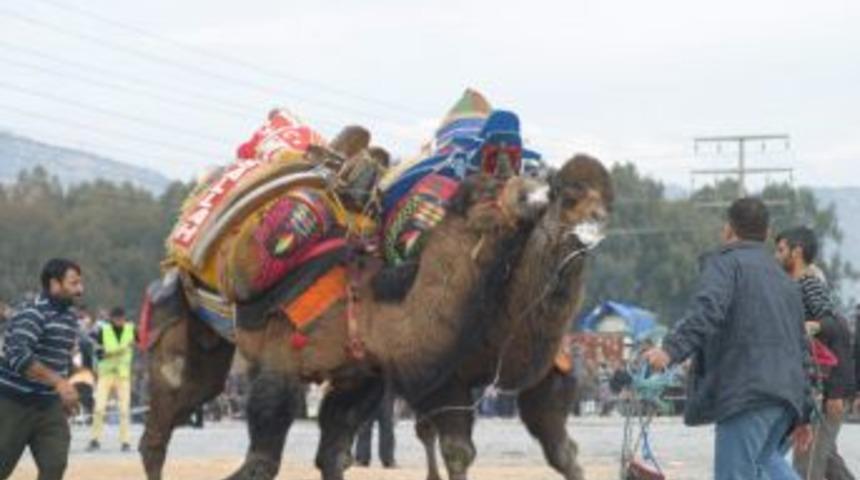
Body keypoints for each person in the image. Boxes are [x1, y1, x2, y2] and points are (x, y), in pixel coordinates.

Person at [643, 198, 811, 480]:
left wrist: (669, 351)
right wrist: (803, 413)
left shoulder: (725, 264)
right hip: (785, 400)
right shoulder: (786, 281)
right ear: (768, 234)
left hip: (747, 393)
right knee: (763, 467)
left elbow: (707, 312)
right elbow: (800, 348)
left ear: (728, 230)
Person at [775, 226, 856, 480]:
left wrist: (836, 394)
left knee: (807, 465)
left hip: (825, 392)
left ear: (796, 252)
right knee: (827, 462)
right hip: (811, 391)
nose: (775, 256)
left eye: (780, 250)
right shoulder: (791, 286)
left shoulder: (809, 283)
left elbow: (837, 330)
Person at [0, 258, 84, 480]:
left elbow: (60, 359)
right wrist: (59, 383)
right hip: (12, 405)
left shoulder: (70, 318)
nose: (80, 290)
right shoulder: (31, 313)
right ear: (55, 284)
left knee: (54, 466)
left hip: (49, 407)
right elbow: (18, 357)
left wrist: (66, 393)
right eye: (74, 283)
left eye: (79, 283)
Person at [87, 307, 137, 452]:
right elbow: (98, 353)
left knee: (124, 410)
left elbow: (143, 341)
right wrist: (119, 350)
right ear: (111, 319)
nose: (119, 321)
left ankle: (125, 441)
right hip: (106, 374)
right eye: (116, 319)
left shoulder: (131, 329)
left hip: (123, 376)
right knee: (99, 408)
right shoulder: (104, 331)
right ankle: (95, 439)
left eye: (121, 318)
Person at [354, 387, 397, 468]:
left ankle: (388, 460)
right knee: (364, 428)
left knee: (387, 427)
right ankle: (362, 458)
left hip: (385, 392)